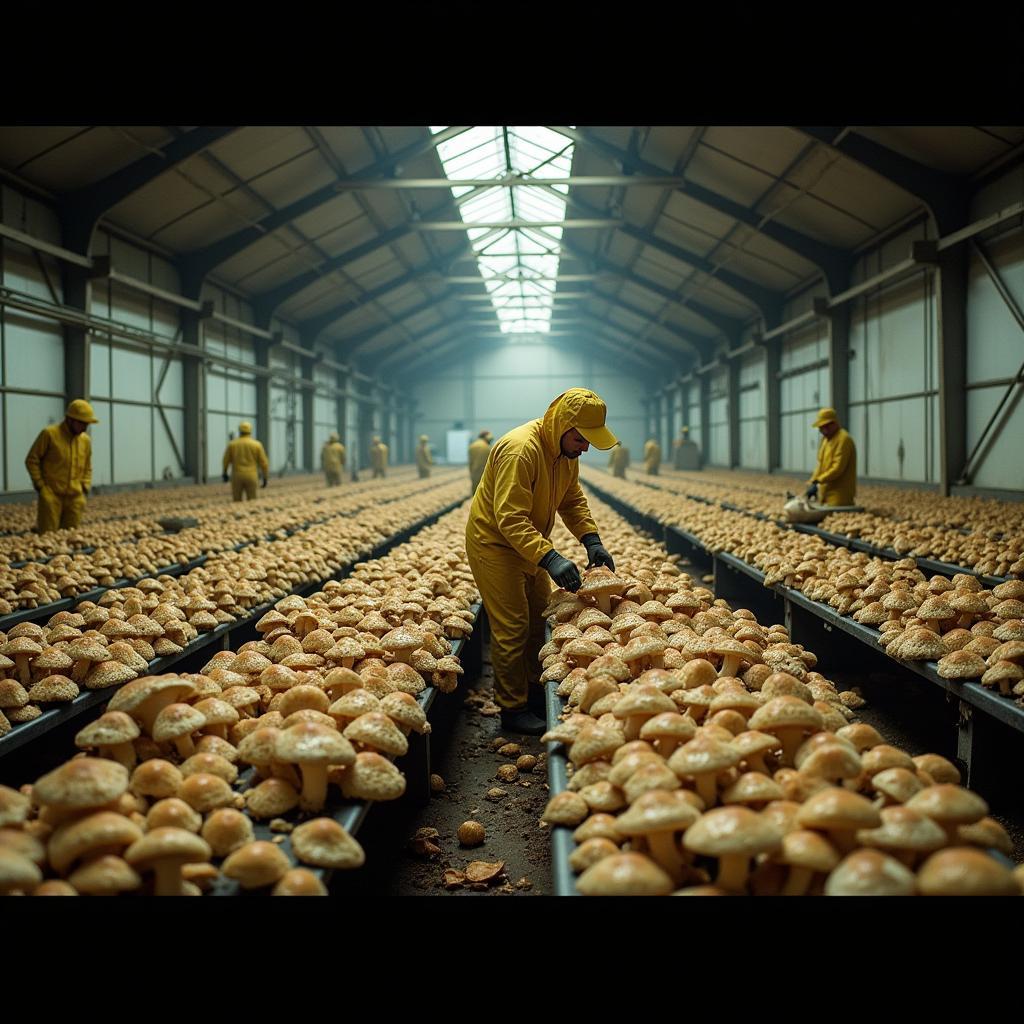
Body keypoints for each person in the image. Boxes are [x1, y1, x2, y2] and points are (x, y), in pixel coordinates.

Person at [466, 388, 618, 735]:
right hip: (496, 545)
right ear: (564, 426)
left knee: (538, 619)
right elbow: (509, 517)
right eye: (582, 439)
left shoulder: (565, 453)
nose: (586, 447)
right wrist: (549, 557)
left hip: (529, 543)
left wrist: (590, 539)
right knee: (512, 628)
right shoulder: (521, 450)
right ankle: (512, 708)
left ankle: (535, 693)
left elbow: (572, 499)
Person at [25, 398, 98, 534]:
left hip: (75, 497)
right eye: (81, 423)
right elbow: (32, 460)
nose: (84, 428)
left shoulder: (85, 441)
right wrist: (40, 485)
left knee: (71, 537)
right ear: (70, 419)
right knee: (48, 537)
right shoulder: (50, 434)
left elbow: (87, 466)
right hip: (52, 495)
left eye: (87, 424)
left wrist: (84, 487)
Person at [806, 407, 857, 506]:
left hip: (840, 493)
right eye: (820, 427)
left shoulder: (844, 439)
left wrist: (818, 480)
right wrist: (813, 481)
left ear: (834, 423)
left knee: (834, 512)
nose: (823, 430)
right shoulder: (825, 440)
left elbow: (837, 468)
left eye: (826, 426)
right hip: (825, 491)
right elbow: (820, 464)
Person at [222, 421, 269, 502]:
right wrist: (265, 477)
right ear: (250, 431)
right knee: (252, 501)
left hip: (237, 475)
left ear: (239, 431)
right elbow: (264, 463)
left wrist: (225, 473)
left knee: (236, 500)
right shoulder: (257, 445)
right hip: (251, 475)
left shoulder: (232, 444)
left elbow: (225, 460)